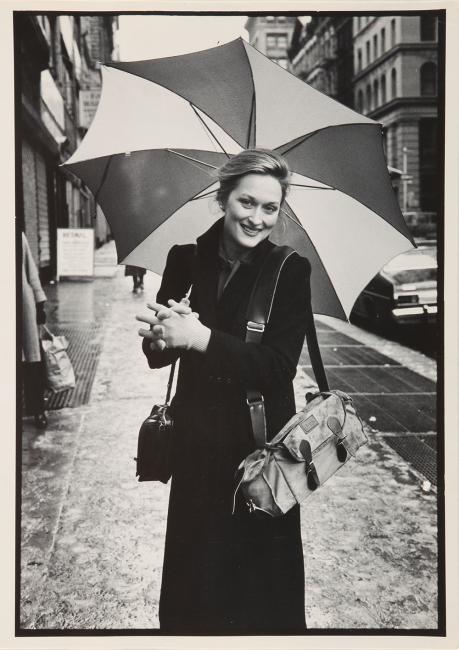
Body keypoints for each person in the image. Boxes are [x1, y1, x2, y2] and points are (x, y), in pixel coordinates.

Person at [136, 149, 327, 634]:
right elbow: (161, 356)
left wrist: (199, 338)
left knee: (261, 596)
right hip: (196, 452)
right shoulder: (184, 259)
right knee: (194, 592)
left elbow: (278, 368)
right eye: (247, 202)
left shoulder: (290, 270)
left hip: (259, 457)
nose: (258, 218)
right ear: (224, 198)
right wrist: (160, 339)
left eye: (270, 208)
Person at [22, 231, 48, 429]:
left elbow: (31, 272)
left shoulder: (16, 235)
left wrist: (39, 305)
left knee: (32, 361)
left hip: (21, 307)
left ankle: (38, 409)